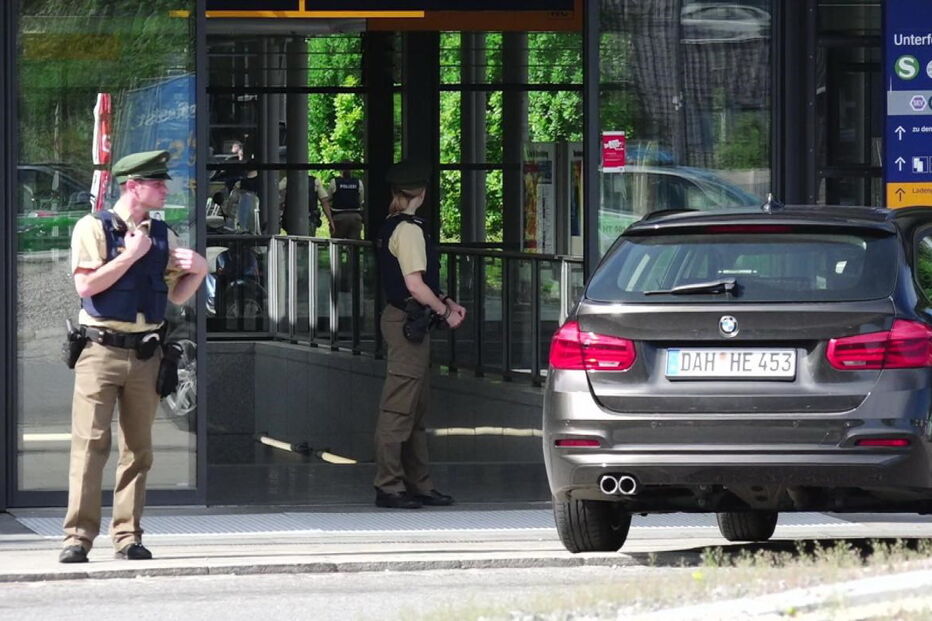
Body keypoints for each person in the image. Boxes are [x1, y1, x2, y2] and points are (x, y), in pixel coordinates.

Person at [59, 150, 208, 563]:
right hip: (100, 350)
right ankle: (77, 537)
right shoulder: (93, 227)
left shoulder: (164, 235)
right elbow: (85, 288)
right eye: (157, 183)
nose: (166, 189)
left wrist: (199, 270)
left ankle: (127, 535)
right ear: (132, 186)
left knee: (138, 450)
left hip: (146, 353)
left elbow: (175, 296)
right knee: (90, 446)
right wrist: (129, 255)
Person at [373, 160, 466, 509]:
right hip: (406, 322)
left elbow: (415, 285)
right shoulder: (409, 230)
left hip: (407, 319)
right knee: (400, 408)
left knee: (413, 407)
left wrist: (443, 301)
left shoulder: (392, 226)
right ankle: (390, 486)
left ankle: (417, 484)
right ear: (422, 193)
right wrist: (445, 312)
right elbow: (414, 284)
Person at [327, 167, 365, 239]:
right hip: (355, 217)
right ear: (352, 170)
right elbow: (361, 200)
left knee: (337, 244)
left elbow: (328, 199)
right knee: (354, 245)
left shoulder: (334, 182)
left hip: (339, 217)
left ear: (340, 170)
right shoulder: (358, 182)